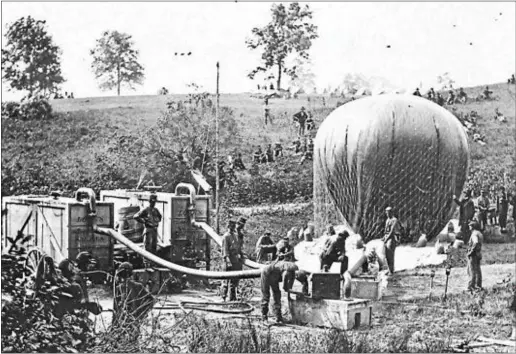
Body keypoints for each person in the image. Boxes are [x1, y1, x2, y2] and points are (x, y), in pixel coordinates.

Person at [113, 262, 155, 329]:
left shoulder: (138, 286)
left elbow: (150, 300)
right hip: (123, 319)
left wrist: (141, 312)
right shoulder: (119, 288)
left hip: (134, 319)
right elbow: (115, 308)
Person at [134, 194, 162, 268]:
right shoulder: (146, 210)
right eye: (152, 201)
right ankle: (146, 264)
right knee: (147, 247)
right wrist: (144, 221)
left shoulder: (156, 210)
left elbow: (160, 217)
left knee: (154, 247)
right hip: (148, 229)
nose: (153, 203)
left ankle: (153, 264)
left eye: (154, 202)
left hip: (154, 230)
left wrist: (156, 222)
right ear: (149, 201)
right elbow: (136, 216)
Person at [220, 220, 243, 301]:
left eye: (233, 226)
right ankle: (223, 298)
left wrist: (240, 255)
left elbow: (238, 247)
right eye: (231, 226)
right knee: (225, 280)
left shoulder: (235, 235)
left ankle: (232, 298)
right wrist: (228, 261)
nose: (232, 228)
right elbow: (225, 250)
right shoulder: (226, 236)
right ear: (228, 227)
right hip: (228, 261)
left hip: (235, 260)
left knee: (234, 281)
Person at [383, 206, 400, 274]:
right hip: (387, 237)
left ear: (391, 212)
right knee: (386, 255)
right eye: (386, 212)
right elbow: (386, 231)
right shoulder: (387, 220)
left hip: (391, 238)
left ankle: (391, 270)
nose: (387, 214)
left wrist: (386, 239)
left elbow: (392, 231)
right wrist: (384, 238)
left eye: (389, 212)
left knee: (390, 255)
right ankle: (389, 269)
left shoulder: (394, 220)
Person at [467, 221, 483, 292]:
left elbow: (475, 242)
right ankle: (478, 285)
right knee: (478, 270)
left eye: (470, 226)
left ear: (473, 227)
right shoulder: (479, 233)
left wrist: (471, 251)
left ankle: (471, 286)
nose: (469, 227)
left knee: (472, 270)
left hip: (473, 254)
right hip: (478, 253)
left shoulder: (474, 234)